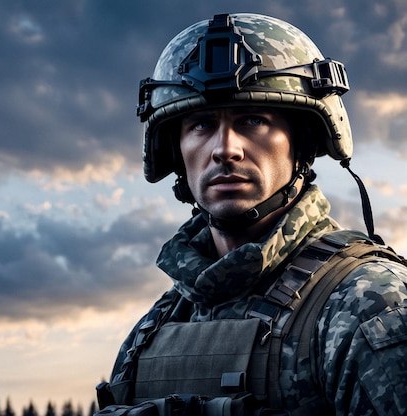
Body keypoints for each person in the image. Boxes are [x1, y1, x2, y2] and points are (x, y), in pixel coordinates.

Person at [96, 13, 407, 416]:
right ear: (176, 152)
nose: (225, 148)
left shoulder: (368, 302)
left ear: (303, 144)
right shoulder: (155, 328)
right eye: (201, 124)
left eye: (253, 120)